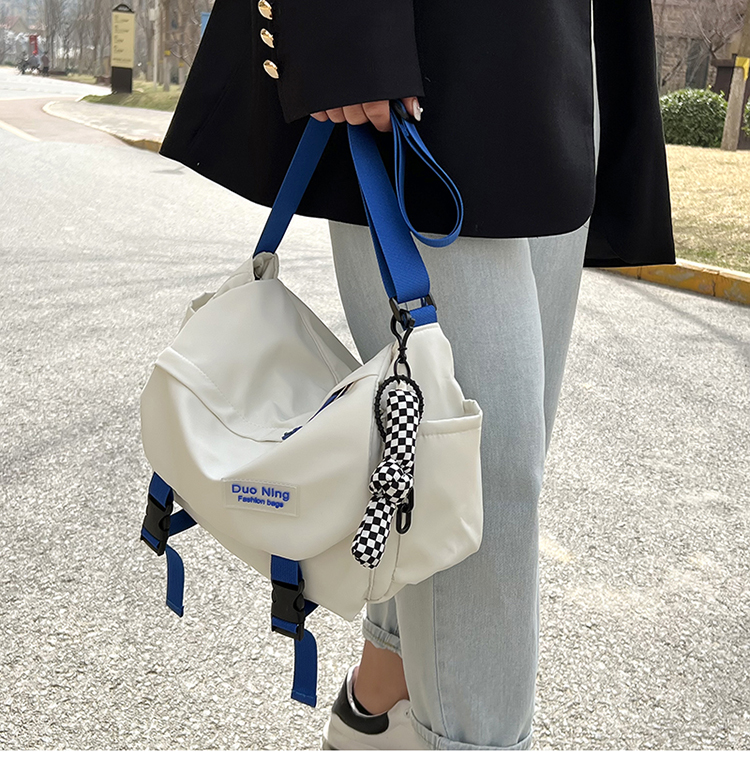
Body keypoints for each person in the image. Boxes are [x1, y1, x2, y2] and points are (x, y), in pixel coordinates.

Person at [159, 0, 675, 750]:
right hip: (433, 48)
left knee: (464, 470)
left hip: (559, 49)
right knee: (474, 476)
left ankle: (382, 700)